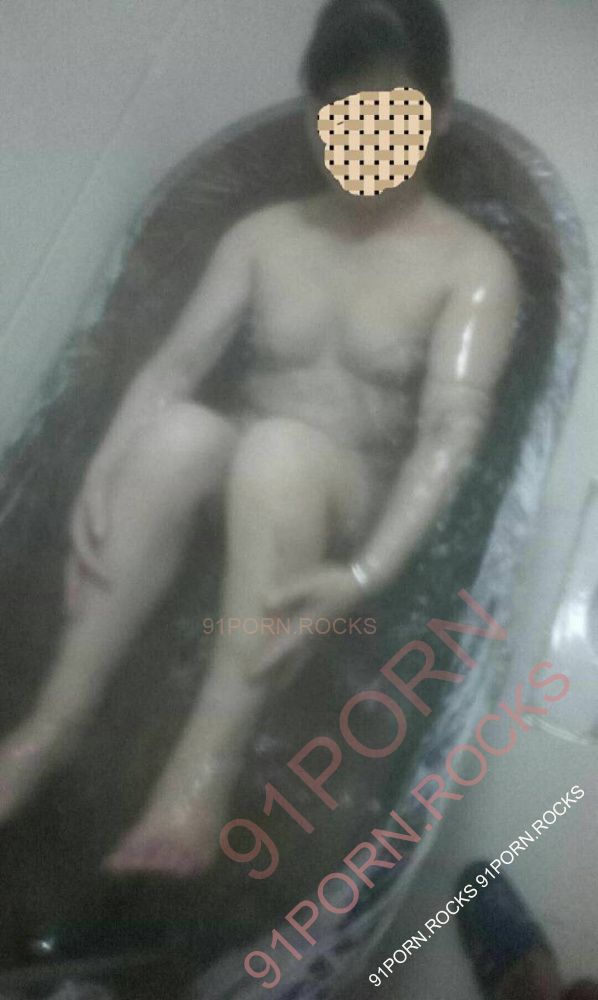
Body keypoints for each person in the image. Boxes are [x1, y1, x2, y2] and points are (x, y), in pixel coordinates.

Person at [0, 0, 520, 876]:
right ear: (317, 117)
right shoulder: (265, 236)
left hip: (344, 489)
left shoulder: (472, 267)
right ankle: (50, 729)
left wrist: (367, 571)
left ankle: (198, 778)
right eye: (344, 108)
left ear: (436, 111)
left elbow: (449, 430)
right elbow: (173, 368)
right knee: (176, 435)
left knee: (278, 452)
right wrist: (105, 469)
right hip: (246, 452)